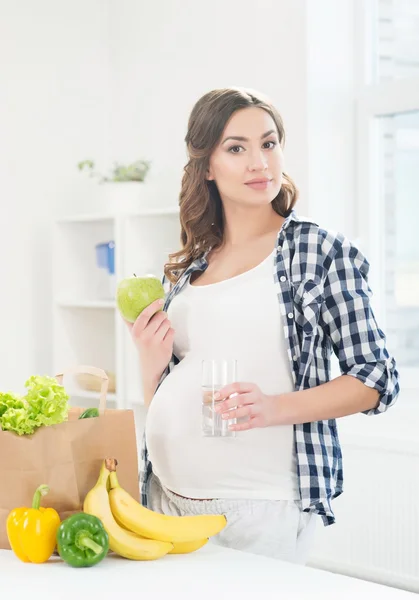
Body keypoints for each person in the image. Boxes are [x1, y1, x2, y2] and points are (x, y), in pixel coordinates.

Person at [126, 87, 400, 565]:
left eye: (269, 144)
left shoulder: (314, 251)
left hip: (257, 508)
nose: (260, 162)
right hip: (164, 499)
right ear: (207, 166)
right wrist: (151, 367)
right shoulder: (193, 266)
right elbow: (175, 397)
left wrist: (275, 407)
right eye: (237, 148)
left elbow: (377, 378)